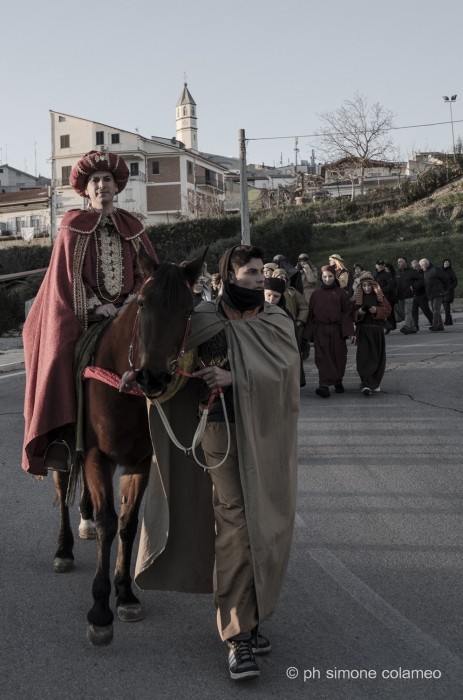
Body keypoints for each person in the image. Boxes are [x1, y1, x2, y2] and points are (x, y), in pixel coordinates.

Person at [135, 245, 300, 682]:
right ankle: (238, 635)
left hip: (265, 432)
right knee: (237, 521)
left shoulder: (278, 321)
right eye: (249, 273)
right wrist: (147, 374)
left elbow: (288, 376)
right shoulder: (204, 319)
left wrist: (237, 375)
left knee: (267, 521)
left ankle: (252, 610)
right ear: (229, 275)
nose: (259, 280)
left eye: (262, 273)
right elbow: (174, 362)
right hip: (219, 431)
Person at [22, 150, 157, 475]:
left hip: (129, 313)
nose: (101, 185)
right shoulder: (72, 225)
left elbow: (148, 273)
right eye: (95, 180)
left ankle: (164, 431)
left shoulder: (132, 226)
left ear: (116, 185)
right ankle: (62, 437)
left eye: (106, 179)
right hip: (85, 316)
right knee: (58, 358)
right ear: (86, 188)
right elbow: (65, 278)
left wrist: (130, 302)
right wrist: (98, 304)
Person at [303, 265, 354, 398]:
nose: (327, 279)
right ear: (321, 277)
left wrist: (348, 331)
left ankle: (338, 381)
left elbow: (346, 313)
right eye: (325, 276)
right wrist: (308, 334)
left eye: (330, 276)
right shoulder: (316, 294)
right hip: (321, 330)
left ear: (334, 277)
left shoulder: (341, 293)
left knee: (339, 356)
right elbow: (311, 315)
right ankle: (323, 385)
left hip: (336, 329)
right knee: (322, 357)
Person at [264, 276, 307, 386]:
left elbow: (293, 344)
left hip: (280, 360)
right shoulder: (254, 313)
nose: (271, 299)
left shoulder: (285, 315)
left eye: (276, 296)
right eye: (268, 295)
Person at [353, 274, 391, 396]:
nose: (367, 288)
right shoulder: (357, 298)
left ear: (373, 285)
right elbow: (351, 313)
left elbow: (387, 310)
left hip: (377, 331)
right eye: (364, 285)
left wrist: (377, 311)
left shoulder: (380, 297)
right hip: (363, 331)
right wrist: (359, 312)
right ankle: (366, 382)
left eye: (369, 285)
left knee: (377, 357)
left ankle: (374, 382)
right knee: (364, 357)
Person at [273, 268, 309, 341]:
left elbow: (304, 307)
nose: (283, 279)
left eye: (285, 278)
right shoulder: (270, 292)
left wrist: (300, 320)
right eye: (280, 277)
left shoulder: (292, 292)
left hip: (291, 325)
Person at [419, 259, 448, 331]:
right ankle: (440, 325)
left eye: (422, 266)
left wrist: (443, 289)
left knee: (436, 309)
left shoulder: (435, 270)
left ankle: (434, 325)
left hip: (438, 292)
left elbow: (445, 279)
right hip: (431, 293)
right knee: (435, 310)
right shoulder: (426, 272)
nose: (421, 268)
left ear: (426, 264)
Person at [395, 257, 419, 334]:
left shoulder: (412, 272)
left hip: (409, 295)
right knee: (405, 312)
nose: (399, 263)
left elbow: (421, 280)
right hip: (400, 296)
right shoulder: (397, 273)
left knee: (407, 311)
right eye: (398, 262)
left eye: (400, 262)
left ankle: (406, 327)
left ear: (405, 262)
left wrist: (414, 286)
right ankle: (413, 328)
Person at [410, 259, 433, 331]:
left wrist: (414, 286)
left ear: (419, 266)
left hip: (422, 294)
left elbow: (422, 282)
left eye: (416, 266)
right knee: (414, 311)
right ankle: (415, 326)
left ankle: (433, 322)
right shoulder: (413, 274)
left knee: (426, 310)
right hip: (415, 295)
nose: (415, 268)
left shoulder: (422, 273)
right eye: (413, 267)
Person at [382, 262, 398, 331]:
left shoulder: (390, 276)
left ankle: (391, 325)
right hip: (389, 295)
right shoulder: (386, 276)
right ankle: (392, 324)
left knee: (389, 311)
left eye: (386, 269)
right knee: (390, 312)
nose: (385, 271)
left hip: (390, 296)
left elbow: (391, 286)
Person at [442, 259, 458, 325]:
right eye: (446, 262)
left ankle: (447, 320)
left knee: (446, 304)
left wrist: (450, 288)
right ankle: (449, 319)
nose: (447, 263)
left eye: (448, 262)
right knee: (445, 305)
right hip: (442, 291)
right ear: (443, 263)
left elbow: (455, 282)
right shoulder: (440, 271)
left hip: (449, 291)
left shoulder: (451, 272)